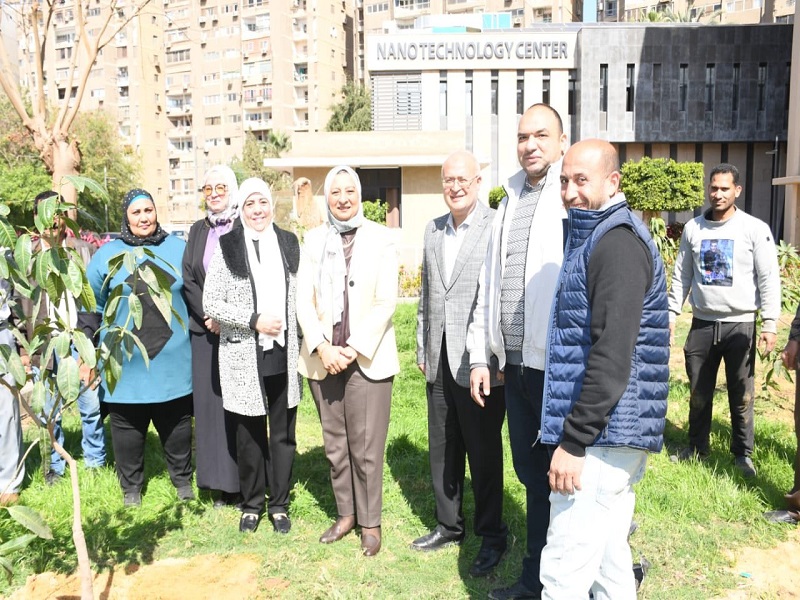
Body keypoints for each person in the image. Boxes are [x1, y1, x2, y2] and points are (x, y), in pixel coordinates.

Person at [538, 139, 669, 599]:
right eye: (564, 180)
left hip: (600, 439)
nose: (570, 191)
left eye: (581, 180)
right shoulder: (600, 233)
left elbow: (613, 357)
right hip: (610, 438)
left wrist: (573, 440)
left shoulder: (615, 243)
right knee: (609, 571)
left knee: (562, 574)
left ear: (612, 181)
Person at [466, 103, 567, 600]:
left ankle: (582, 573)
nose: (530, 144)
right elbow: (490, 281)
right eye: (524, 136)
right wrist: (484, 356)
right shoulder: (506, 197)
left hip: (559, 367)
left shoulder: (571, 195)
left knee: (569, 476)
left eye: (541, 135)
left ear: (561, 140)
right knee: (532, 477)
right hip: (517, 369)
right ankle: (538, 577)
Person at [412, 150, 508, 576]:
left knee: (483, 453)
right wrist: (421, 348)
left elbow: (498, 298)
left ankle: (492, 535)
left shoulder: (494, 226)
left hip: (478, 363)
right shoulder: (433, 231)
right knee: (443, 449)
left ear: (477, 181)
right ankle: (449, 525)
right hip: (438, 360)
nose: (454, 186)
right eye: (448, 179)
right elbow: (427, 296)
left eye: (462, 179)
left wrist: (489, 356)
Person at [297, 165, 399, 557]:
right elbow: (302, 299)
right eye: (335, 191)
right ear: (327, 197)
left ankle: (370, 522)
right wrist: (323, 347)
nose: (342, 198)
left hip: (366, 358)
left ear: (359, 195)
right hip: (324, 358)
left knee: (367, 446)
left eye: (349, 191)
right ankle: (346, 514)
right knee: (335, 444)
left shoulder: (382, 238)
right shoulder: (312, 240)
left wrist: (351, 349)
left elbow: (386, 301)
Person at [668, 163, 781, 477]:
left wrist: (770, 322)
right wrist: (671, 314)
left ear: (737, 191)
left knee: (741, 395)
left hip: (740, 325)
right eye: (713, 188)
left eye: (724, 189)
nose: (717, 194)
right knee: (698, 392)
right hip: (702, 324)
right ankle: (696, 447)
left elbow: (769, 278)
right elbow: (682, 276)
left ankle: (742, 455)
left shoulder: (754, 229)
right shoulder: (694, 229)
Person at [203, 178, 301, 534]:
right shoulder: (228, 246)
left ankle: (279, 504)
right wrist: (252, 320)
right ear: (241, 210)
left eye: (262, 203)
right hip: (244, 354)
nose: (258, 210)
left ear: (271, 204)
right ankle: (252, 504)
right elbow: (210, 301)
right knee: (248, 434)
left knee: (283, 432)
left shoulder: (289, 242)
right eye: (249, 205)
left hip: (284, 352)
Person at [85, 189, 194, 506]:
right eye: (136, 212)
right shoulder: (107, 255)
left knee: (176, 427)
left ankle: (183, 482)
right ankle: (131, 488)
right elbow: (92, 305)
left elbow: (193, 298)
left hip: (173, 361)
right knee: (127, 429)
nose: (144, 217)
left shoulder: (178, 249)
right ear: (126, 217)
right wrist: (89, 356)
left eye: (149, 210)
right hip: (125, 362)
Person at [18, 190, 105, 485]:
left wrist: (89, 346)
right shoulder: (26, 258)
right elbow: (18, 303)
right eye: (45, 212)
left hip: (79, 340)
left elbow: (94, 302)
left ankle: (95, 462)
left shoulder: (83, 251)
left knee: (90, 405)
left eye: (57, 212)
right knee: (48, 410)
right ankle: (56, 463)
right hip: (43, 345)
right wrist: (22, 347)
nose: (52, 220)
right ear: (35, 217)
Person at [182, 165, 241, 508]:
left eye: (221, 186)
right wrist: (211, 316)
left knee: (241, 406)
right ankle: (222, 485)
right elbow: (189, 276)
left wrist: (229, 318)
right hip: (205, 332)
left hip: (241, 330)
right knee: (211, 408)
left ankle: (246, 479)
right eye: (208, 188)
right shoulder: (197, 229)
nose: (215, 193)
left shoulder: (245, 225)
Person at [0, 277, 24, 505]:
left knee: (7, 411)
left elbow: (18, 296)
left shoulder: (5, 252)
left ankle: (9, 482)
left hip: (2, 332)